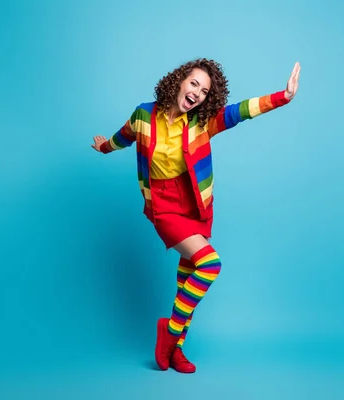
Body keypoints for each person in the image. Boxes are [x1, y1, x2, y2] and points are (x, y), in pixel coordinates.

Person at [91, 58, 301, 373]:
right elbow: (125, 135)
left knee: (187, 280)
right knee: (210, 264)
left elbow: (238, 112)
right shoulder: (144, 115)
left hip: (194, 203)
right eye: (194, 84)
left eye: (204, 92)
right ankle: (170, 331)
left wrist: (282, 97)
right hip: (163, 205)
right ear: (179, 81)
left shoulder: (201, 123)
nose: (197, 93)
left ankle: (176, 351)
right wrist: (105, 147)